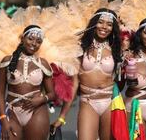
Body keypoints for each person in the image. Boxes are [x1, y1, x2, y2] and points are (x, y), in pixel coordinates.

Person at [52, 8, 122, 140]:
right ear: (94, 24)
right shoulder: (81, 47)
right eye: (101, 22)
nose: (104, 27)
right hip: (88, 102)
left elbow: (121, 81)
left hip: (109, 102)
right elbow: (74, 84)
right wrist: (62, 116)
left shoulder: (117, 49)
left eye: (109, 24)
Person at [0, 25, 55, 140]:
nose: (34, 43)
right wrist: (3, 119)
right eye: (30, 39)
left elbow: (52, 94)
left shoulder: (43, 64)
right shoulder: (7, 61)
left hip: (37, 112)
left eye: (38, 41)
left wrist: (41, 99)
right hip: (12, 112)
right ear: (22, 39)